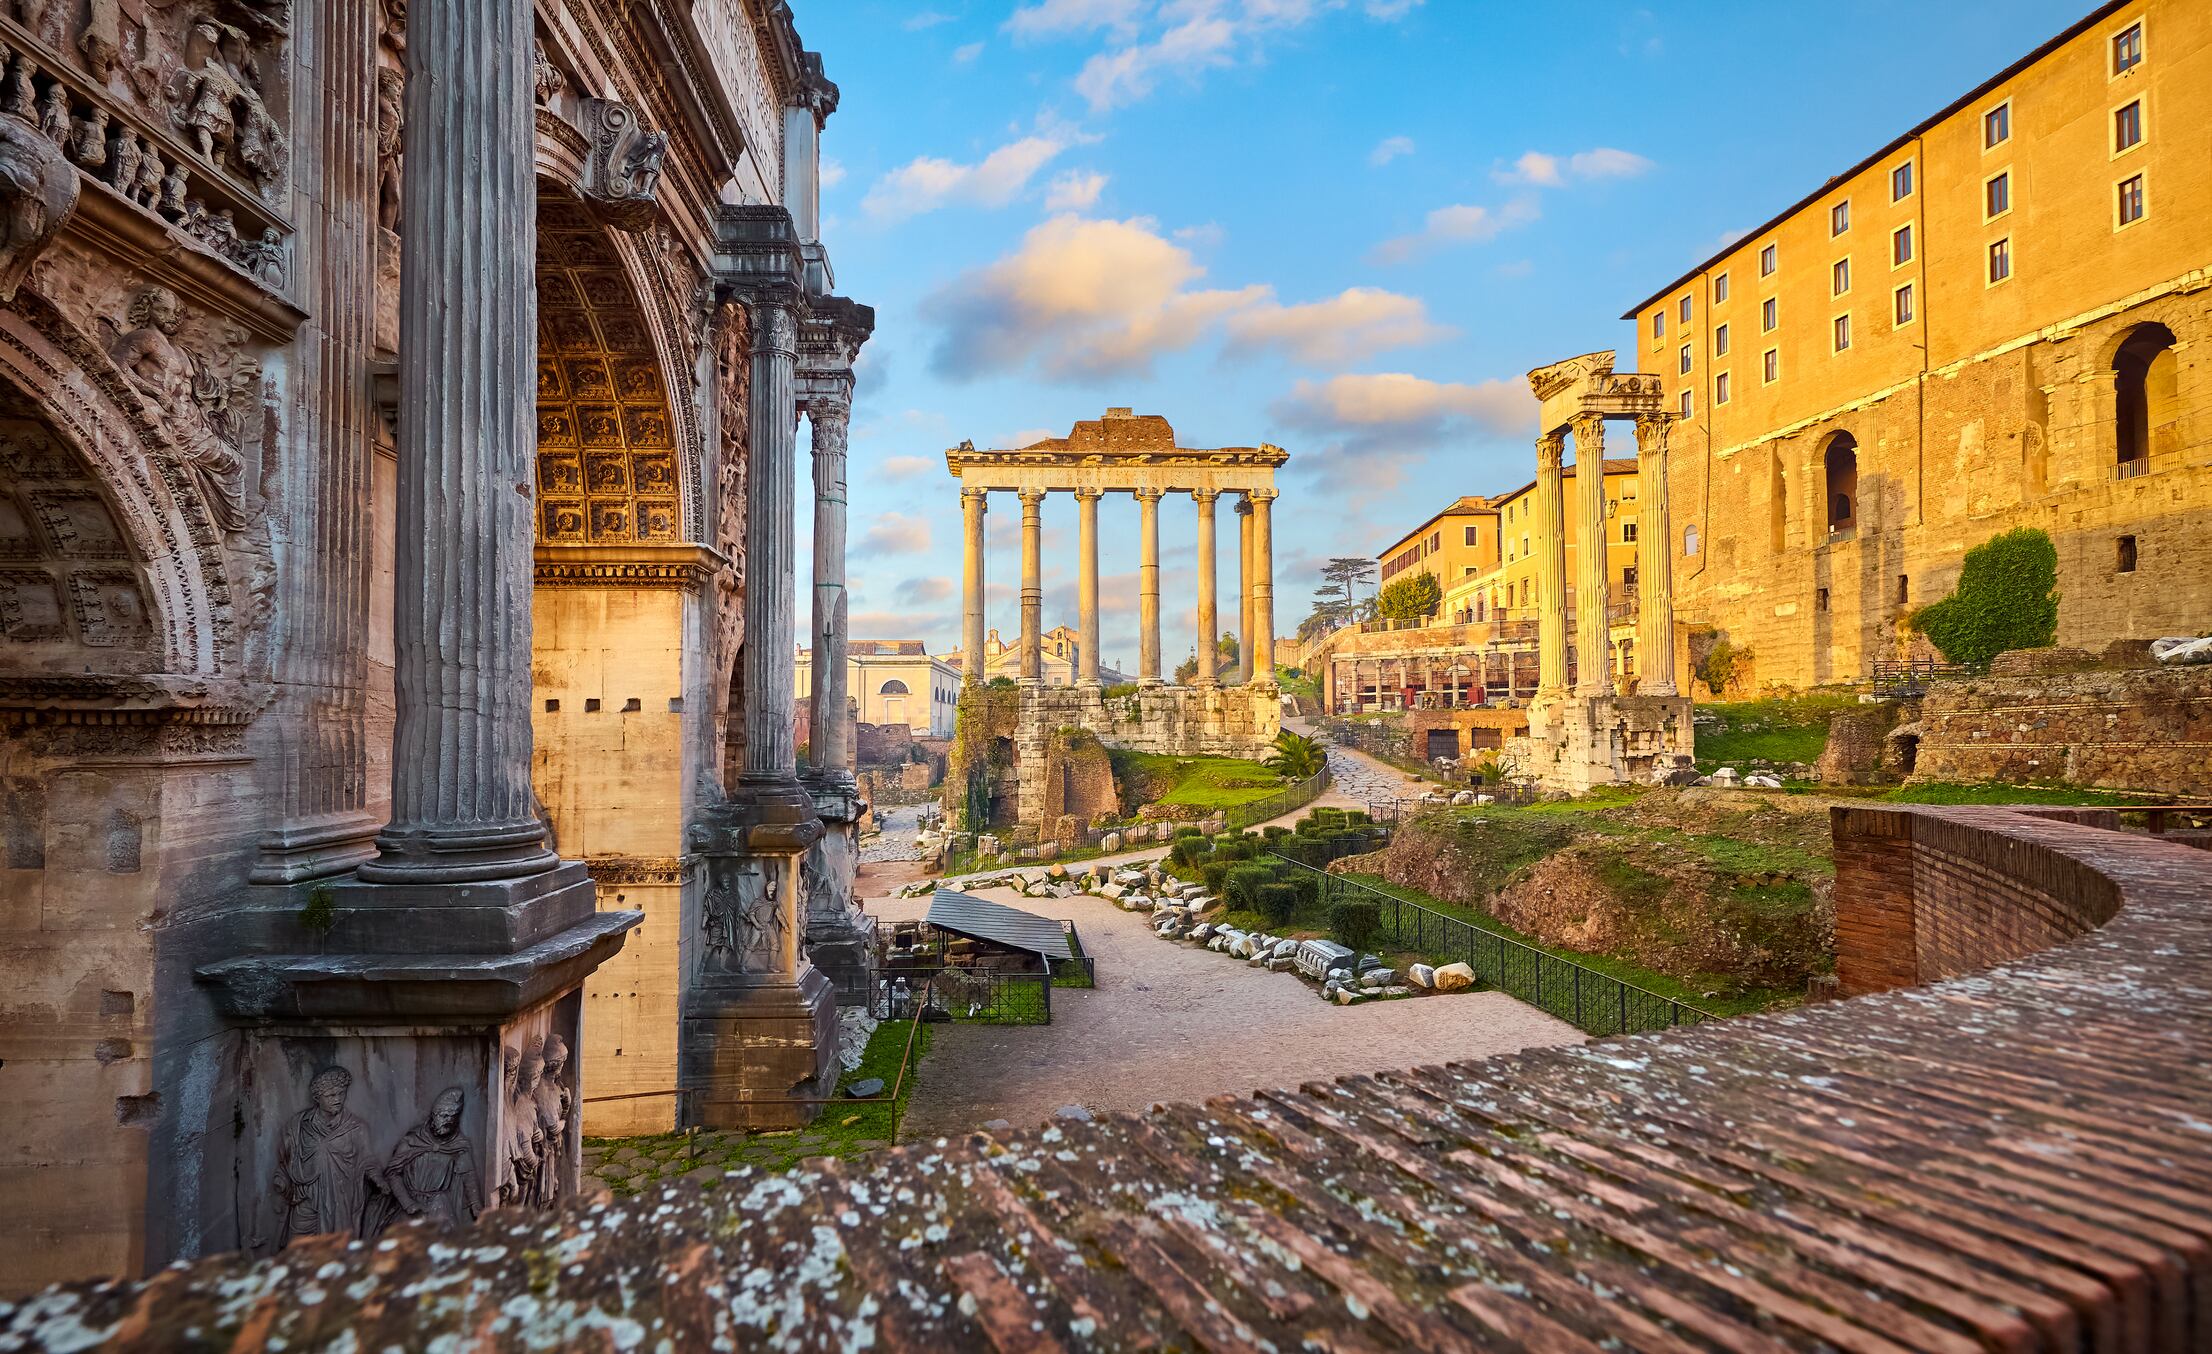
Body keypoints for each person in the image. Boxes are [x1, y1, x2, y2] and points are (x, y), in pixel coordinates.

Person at [272, 1066, 374, 1246]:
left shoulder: (356, 1128)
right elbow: (285, 1160)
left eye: (341, 1094)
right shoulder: (298, 1127)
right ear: (317, 1098)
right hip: (305, 1200)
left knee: (336, 1249)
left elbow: (367, 1160)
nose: (338, 1100)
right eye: (331, 1096)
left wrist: (378, 1178)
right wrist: (282, 1180)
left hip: (340, 1202)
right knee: (298, 1247)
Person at [363, 1087, 483, 1236]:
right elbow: (393, 1174)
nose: (447, 1122)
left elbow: (468, 1176)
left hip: (439, 1203)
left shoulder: (458, 1145)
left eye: (451, 1119)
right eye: (443, 1116)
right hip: (411, 1201)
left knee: (445, 1241)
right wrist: (408, 1204)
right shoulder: (412, 1141)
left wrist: (476, 1205)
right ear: (434, 1115)